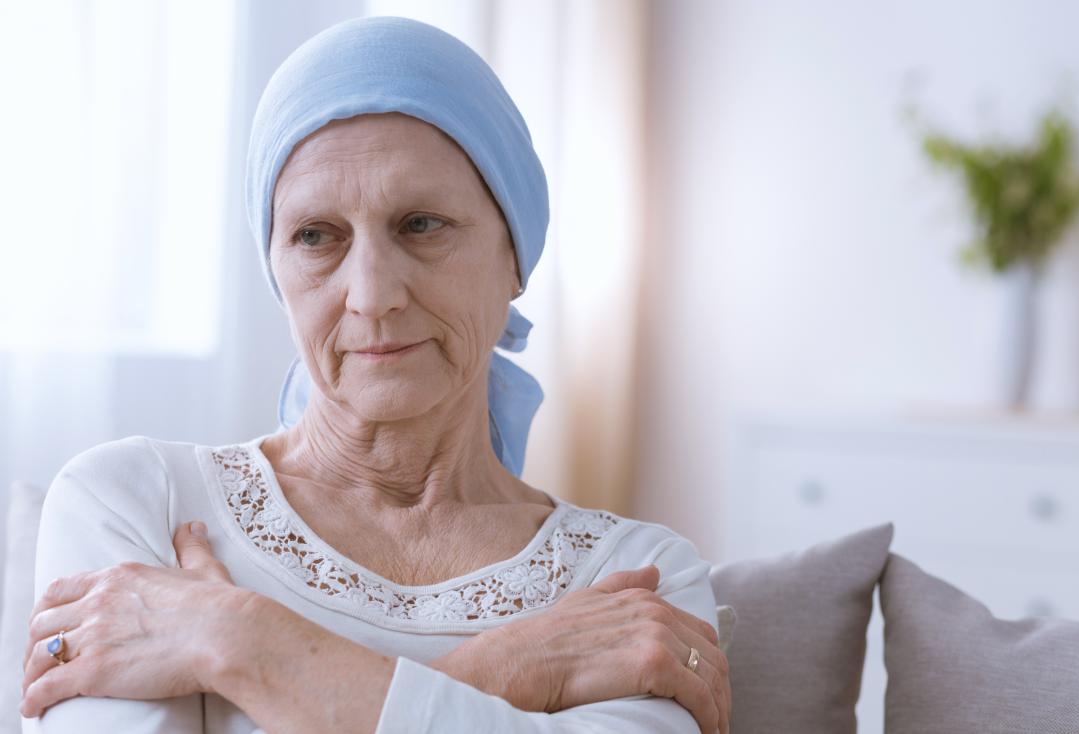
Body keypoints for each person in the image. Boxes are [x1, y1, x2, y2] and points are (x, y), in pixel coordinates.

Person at [19, 16, 730, 733]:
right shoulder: (133, 504)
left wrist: (234, 643)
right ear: (275, 270)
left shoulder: (637, 581)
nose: (371, 294)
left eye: (421, 224)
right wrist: (505, 671)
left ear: (515, 255)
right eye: (316, 237)